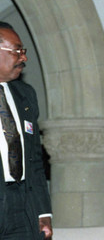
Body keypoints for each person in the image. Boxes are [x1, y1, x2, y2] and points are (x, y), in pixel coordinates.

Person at [0, 22, 52, 239]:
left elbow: (35, 161)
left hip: (23, 206)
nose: (24, 58)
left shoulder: (26, 95)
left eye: (24, 51)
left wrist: (43, 211)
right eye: (17, 51)